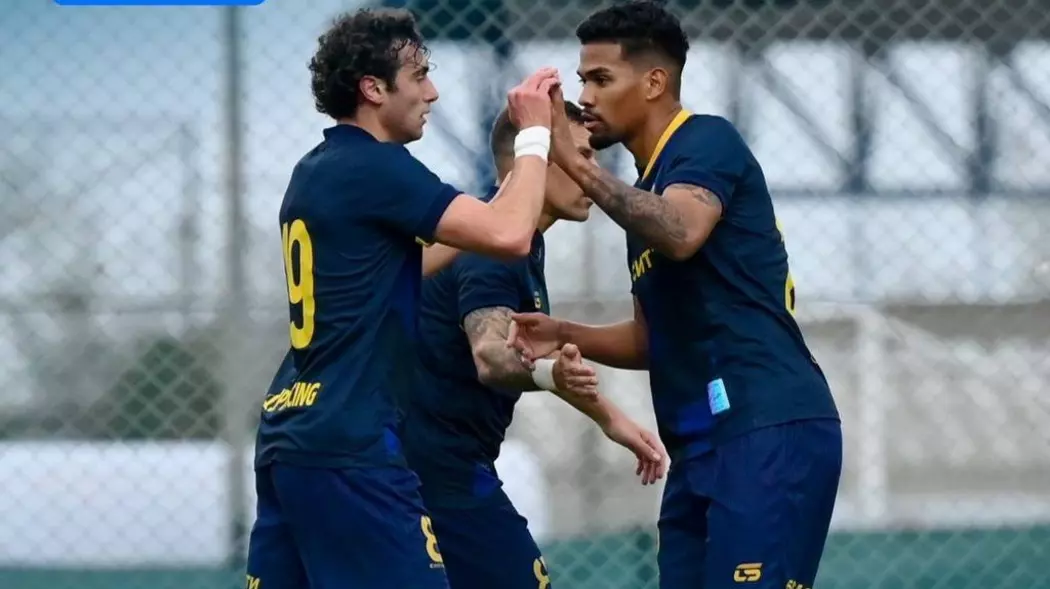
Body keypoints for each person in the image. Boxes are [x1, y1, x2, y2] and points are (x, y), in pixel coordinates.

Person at [506, 2, 842, 588]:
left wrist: (569, 159)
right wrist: (564, 334)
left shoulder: (705, 141)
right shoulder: (642, 195)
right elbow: (651, 337)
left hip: (765, 426)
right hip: (699, 448)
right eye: (582, 80)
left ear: (654, 82)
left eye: (601, 79)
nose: (586, 97)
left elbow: (683, 231)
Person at [245, 8, 564, 589]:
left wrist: (498, 202)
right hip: (353, 444)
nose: (432, 92)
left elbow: (416, 261)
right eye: (419, 75)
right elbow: (509, 235)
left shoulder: (317, 169)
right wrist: (536, 137)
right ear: (373, 88)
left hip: (292, 433)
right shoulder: (376, 166)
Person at [402, 101, 668, 589]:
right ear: (535, 158)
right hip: (433, 469)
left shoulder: (513, 240)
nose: (593, 171)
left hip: (436, 463)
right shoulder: (493, 246)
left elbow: (524, 346)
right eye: (581, 154)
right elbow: (491, 353)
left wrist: (609, 418)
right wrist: (550, 374)